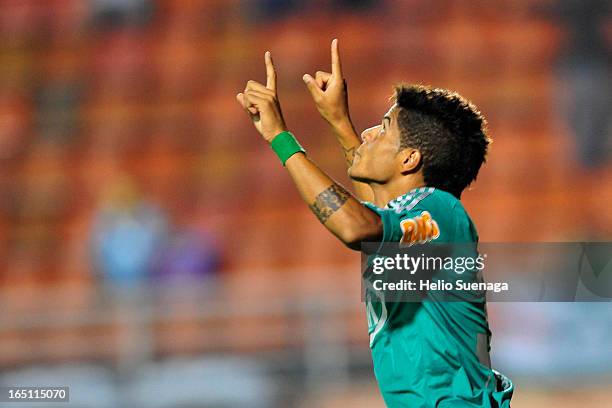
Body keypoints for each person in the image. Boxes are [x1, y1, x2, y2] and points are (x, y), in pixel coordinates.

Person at [236, 39, 513, 407]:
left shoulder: (441, 208)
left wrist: (280, 138)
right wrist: (337, 120)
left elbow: (356, 228)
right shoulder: (416, 221)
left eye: (382, 129)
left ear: (410, 159)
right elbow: (379, 210)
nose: (368, 134)